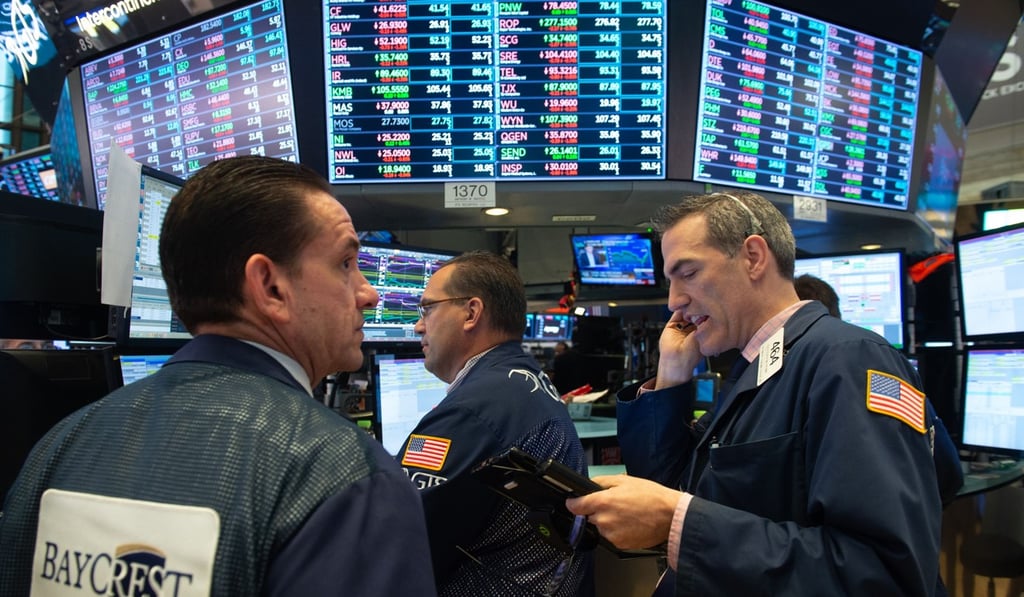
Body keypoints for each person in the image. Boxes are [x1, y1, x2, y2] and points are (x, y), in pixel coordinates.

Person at [0, 156, 437, 596]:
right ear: (269, 287)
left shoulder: (59, 447)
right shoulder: (345, 473)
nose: (369, 292)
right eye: (346, 263)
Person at [566, 191, 955, 596]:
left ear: (753, 257)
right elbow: (666, 486)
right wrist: (671, 375)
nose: (674, 301)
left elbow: (883, 575)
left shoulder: (849, 359)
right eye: (671, 280)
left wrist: (679, 521)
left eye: (689, 273)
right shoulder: (759, 366)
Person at [400, 250, 591, 596]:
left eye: (427, 309)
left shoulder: (471, 411)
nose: (418, 325)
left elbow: (398, 543)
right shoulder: (526, 381)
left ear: (471, 312)